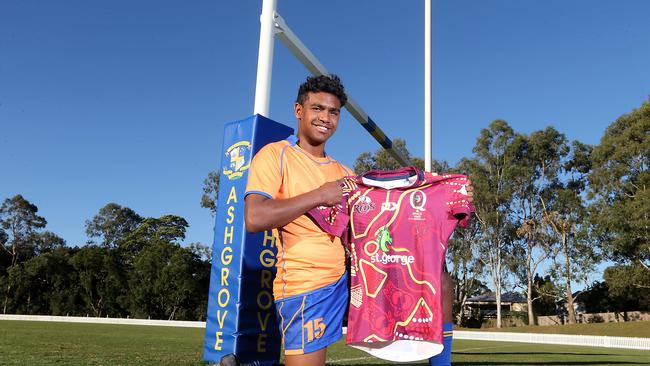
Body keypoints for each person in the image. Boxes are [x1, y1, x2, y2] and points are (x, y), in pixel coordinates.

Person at [245, 74, 352, 366]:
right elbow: (254, 217)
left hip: (340, 284)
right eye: (317, 108)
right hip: (305, 286)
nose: (325, 118)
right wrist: (319, 195)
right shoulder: (275, 155)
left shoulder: (345, 172)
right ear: (298, 111)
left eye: (333, 112)